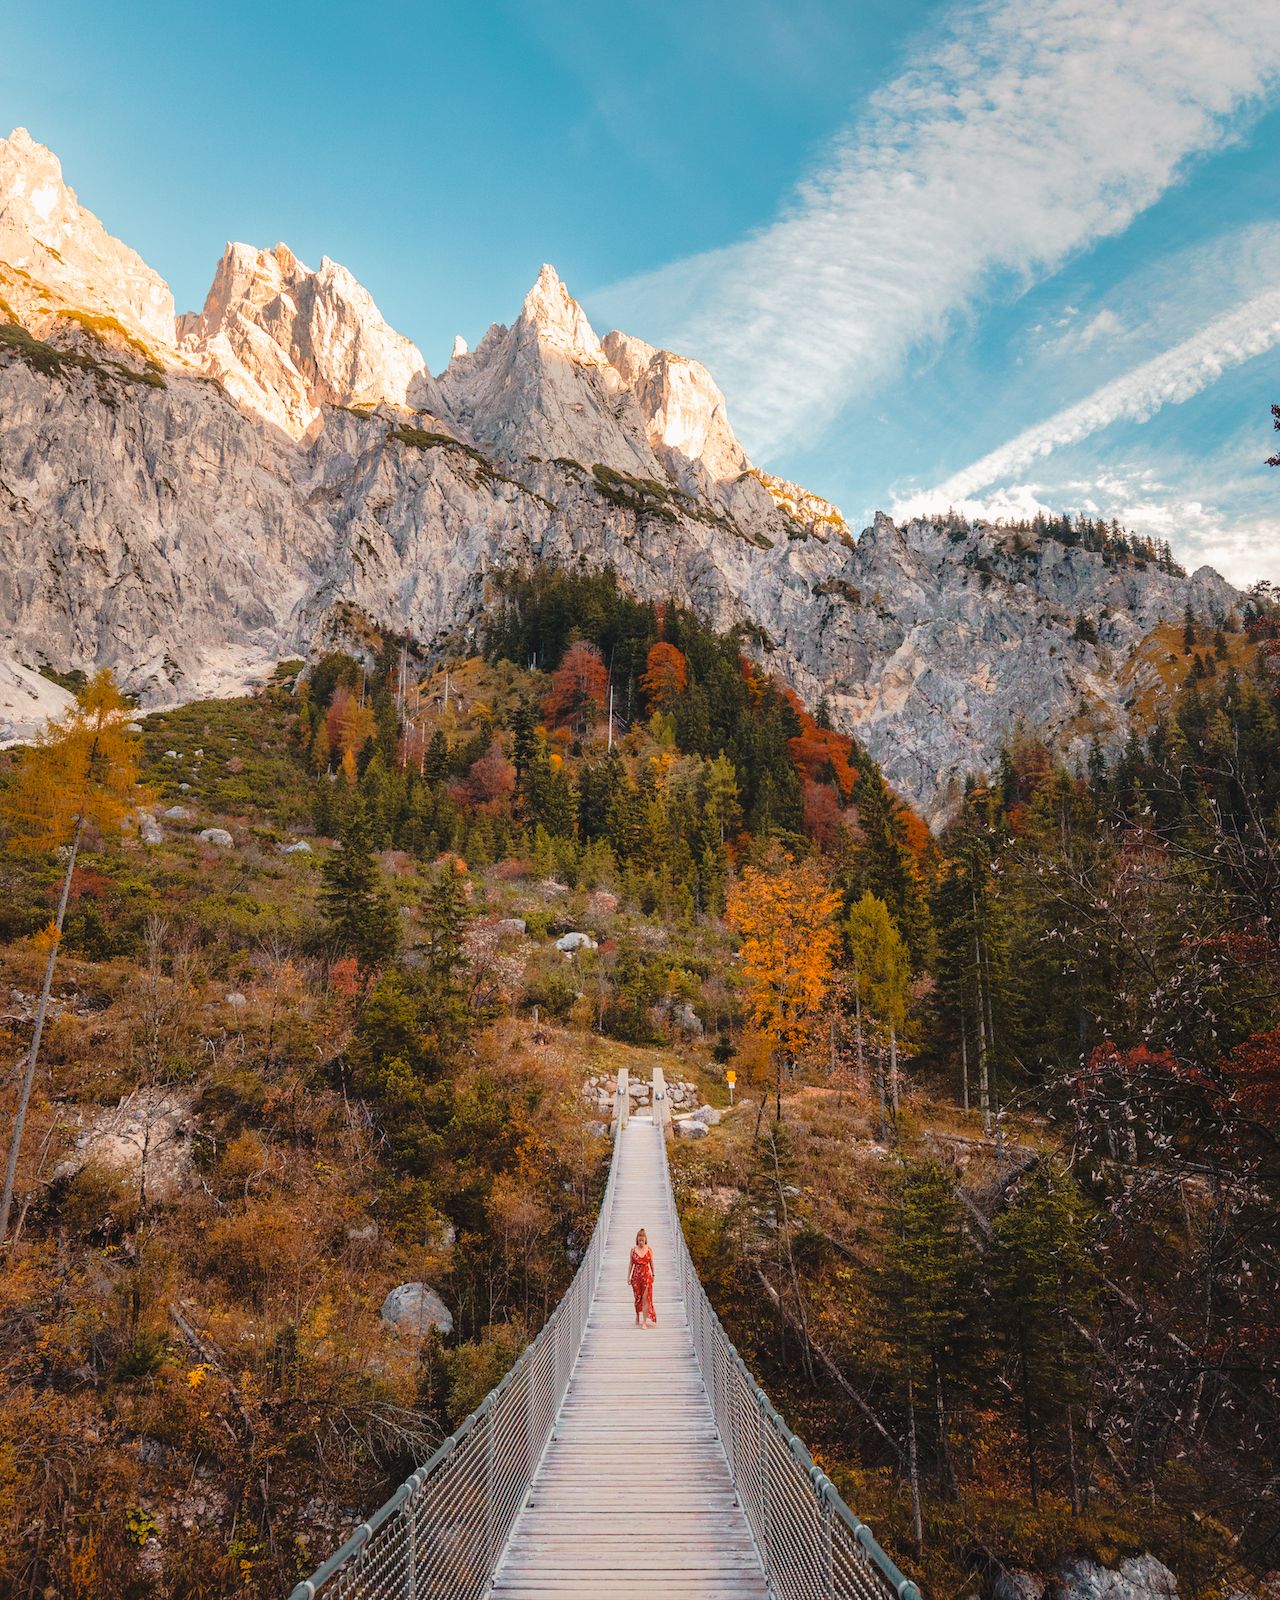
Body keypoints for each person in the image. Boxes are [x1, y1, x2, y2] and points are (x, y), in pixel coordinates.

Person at [628, 1227, 656, 1328]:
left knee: (645, 1298)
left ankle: (644, 1322)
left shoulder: (649, 1250)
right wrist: (628, 1276)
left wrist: (653, 1274)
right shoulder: (633, 1250)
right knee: (637, 1297)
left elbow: (651, 1262)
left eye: (643, 1240)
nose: (641, 1242)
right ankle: (637, 1315)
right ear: (637, 1240)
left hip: (646, 1275)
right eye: (639, 1240)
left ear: (645, 1240)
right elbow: (631, 1264)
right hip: (636, 1276)